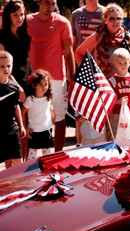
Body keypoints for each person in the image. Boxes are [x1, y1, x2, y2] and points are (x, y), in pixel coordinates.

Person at [27, 0, 75, 152]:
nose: (50, 7)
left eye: (53, 3)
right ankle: (26, 161)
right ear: (39, 2)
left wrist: (72, 78)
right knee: (29, 120)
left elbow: (68, 52)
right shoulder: (27, 21)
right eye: (47, 2)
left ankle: (58, 155)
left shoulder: (63, 23)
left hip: (55, 79)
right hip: (32, 79)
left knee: (59, 119)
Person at [75, 3, 130, 79]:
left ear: (122, 20)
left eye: (118, 18)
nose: (115, 21)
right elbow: (78, 54)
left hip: (124, 85)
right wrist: (90, 73)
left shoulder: (127, 37)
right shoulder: (97, 37)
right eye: (112, 18)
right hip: (103, 85)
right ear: (105, 20)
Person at [70, 0, 104, 147]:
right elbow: (73, 44)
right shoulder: (76, 14)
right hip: (81, 67)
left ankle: (100, 142)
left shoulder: (105, 13)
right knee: (82, 109)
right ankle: (80, 143)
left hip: (101, 68)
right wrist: (70, 69)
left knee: (100, 108)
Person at [108, 47, 130, 140]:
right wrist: (118, 101)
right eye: (120, 63)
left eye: (125, 63)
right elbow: (108, 101)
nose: (123, 65)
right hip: (116, 114)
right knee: (115, 136)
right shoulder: (112, 81)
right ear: (114, 64)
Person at [0, 50, 26, 168]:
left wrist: (21, 126)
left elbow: (16, 106)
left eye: (8, 66)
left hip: (11, 129)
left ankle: (18, 186)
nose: (6, 69)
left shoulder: (14, 87)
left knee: (17, 161)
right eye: (2, 66)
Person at [21, 69, 55, 161]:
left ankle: (47, 173)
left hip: (47, 130)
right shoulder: (30, 100)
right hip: (34, 131)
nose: (44, 87)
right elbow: (22, 113)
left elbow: (50, 110)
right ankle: (30, 173)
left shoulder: (48, 98)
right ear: (34, 85)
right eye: (40, 84)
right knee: (32, 157)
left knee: (48, 157)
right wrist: (25, 128)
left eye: (46, 84)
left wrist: (53, 121)